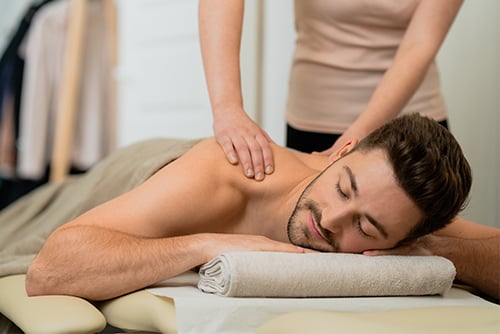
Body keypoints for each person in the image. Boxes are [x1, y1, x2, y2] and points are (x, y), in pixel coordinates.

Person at [10, 115, 494, 302]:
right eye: (343, 190)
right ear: (342, 152)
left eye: (365, 227)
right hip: (106, 181)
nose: (329, 221)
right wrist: (205, 243)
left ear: (399, 239)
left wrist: (433, 251)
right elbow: (50, 271)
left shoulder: (402, 216)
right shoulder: (226, 177)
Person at [198, 0, 463, 180]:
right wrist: (227, 108)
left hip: (410, 128)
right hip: (313, 124)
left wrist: (356, 139)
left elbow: (420, 44)